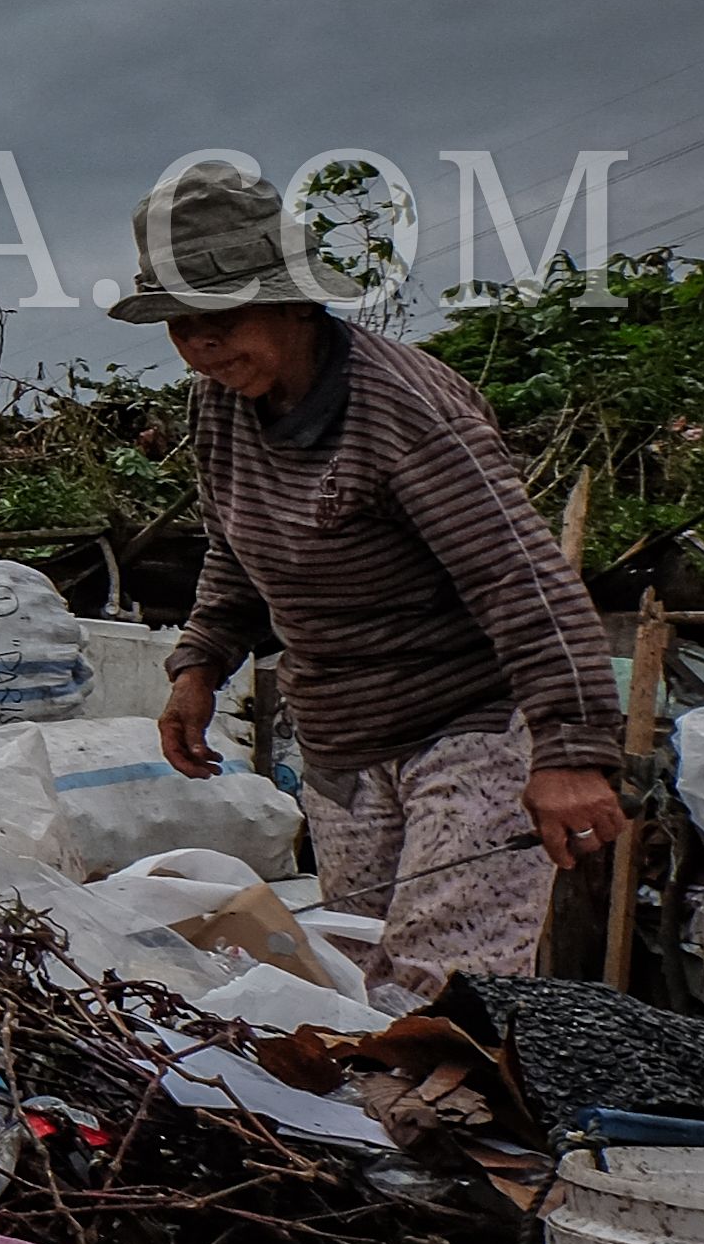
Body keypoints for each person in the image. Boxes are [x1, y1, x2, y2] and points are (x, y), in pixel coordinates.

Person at [119, 161, 621, 1001]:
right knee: (349, 980)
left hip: (466, 726)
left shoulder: (404, 409)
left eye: (222, 315)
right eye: (179, 321)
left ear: (292, 300)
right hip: (340, 740)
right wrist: (200, 664)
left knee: (441, 995)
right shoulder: (221, 407)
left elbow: (521, 578)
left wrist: (572, 750)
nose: (200, 342)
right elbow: (236, 547)